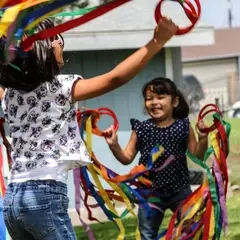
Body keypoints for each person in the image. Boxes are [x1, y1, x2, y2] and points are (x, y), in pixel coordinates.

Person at [0, 17, 177, 240]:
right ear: (43, 52)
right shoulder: (60, 87)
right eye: (57, 41)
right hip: (44, 196)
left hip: (13, 199)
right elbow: (115, 78)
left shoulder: (10, 96)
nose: (60, 44)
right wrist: (157, 41)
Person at [104, 77, 209, 240]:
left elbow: (197, 155)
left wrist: (203, 138)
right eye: (149, 98)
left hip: (180, 191)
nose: (154, 102)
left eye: (160, 97)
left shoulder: (183, 125)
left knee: (192, 230)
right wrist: (114, 144)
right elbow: (126, 158)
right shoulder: (141, 128)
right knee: (147, 235)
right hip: (150, 194)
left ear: (174, 101)